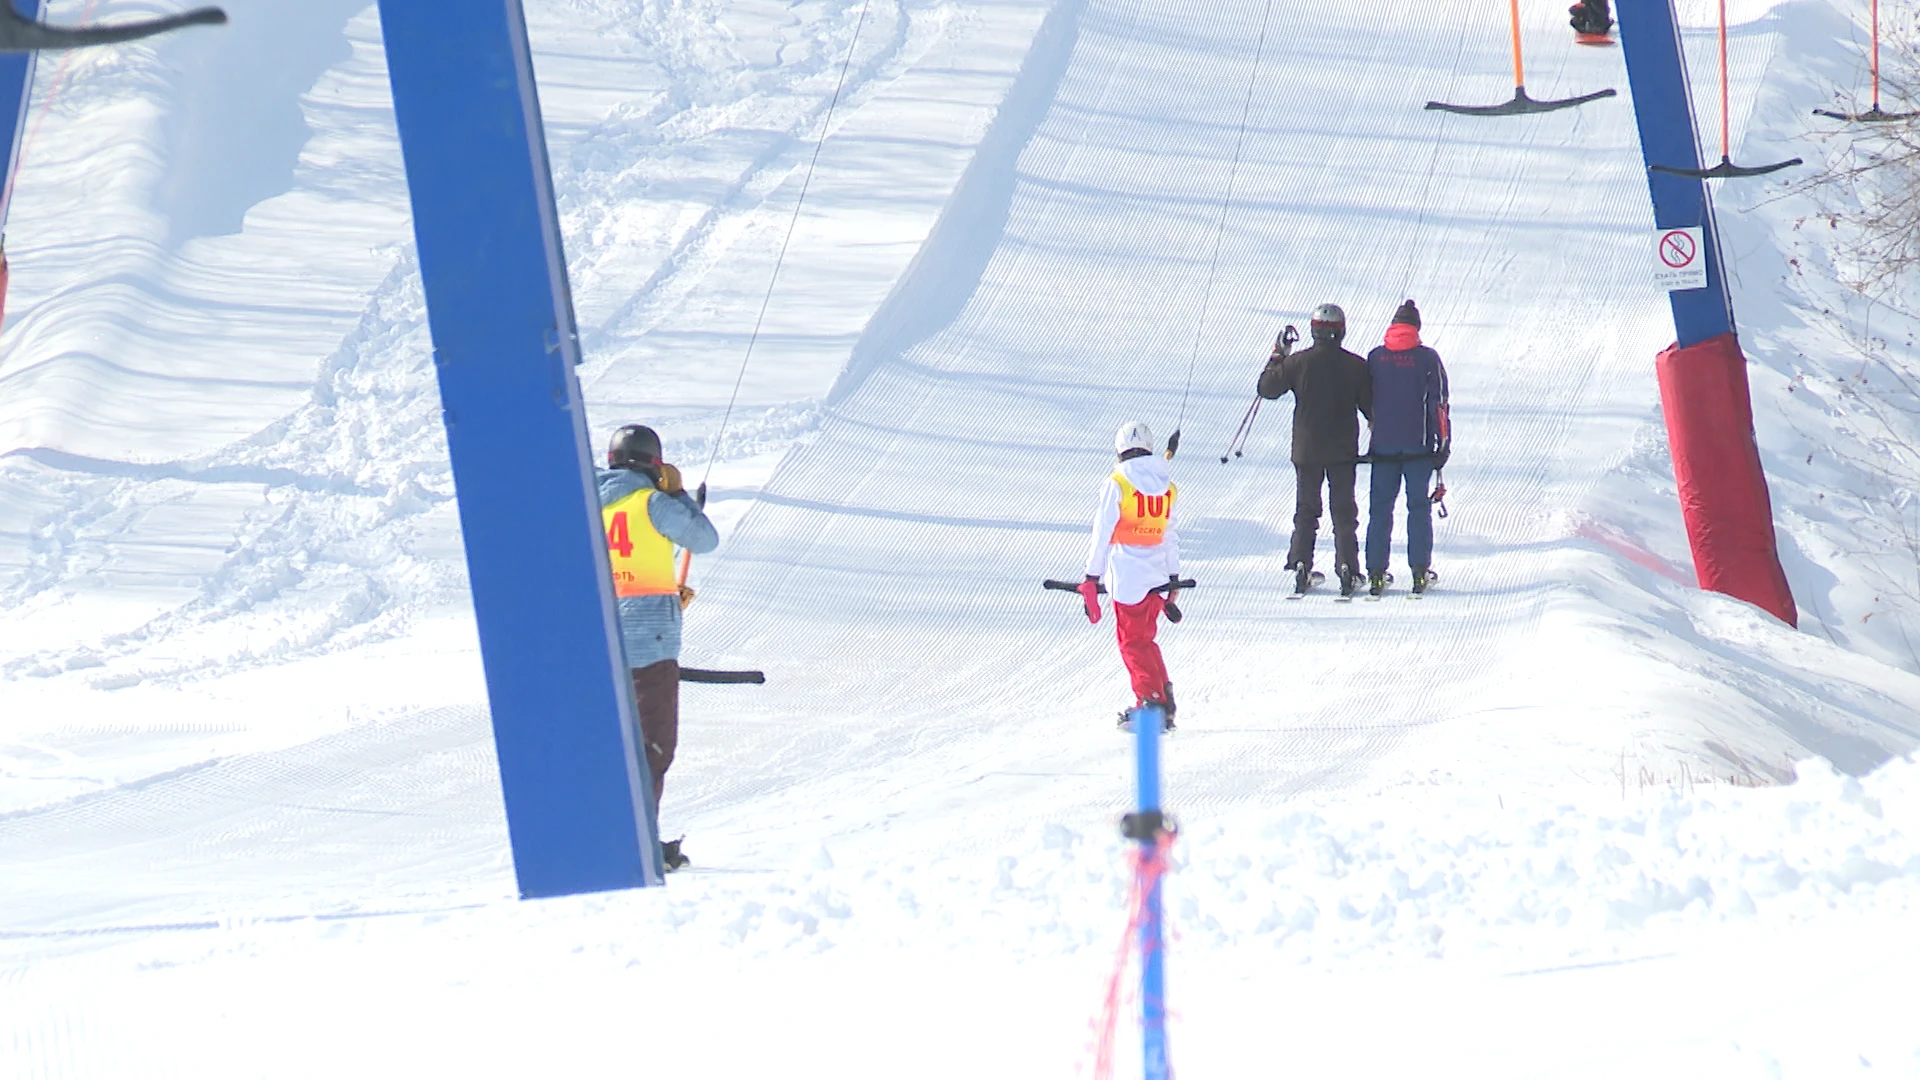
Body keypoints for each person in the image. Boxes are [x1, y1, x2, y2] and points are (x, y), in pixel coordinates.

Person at [597, 423, 719, 870]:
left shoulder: (586, 503)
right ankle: (635, 847)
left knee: (608, 742)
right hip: (649, 648)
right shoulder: (652, 502)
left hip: (597, 643)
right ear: (655, 466)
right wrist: (678, 496)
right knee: (652, 746)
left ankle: (610, 834)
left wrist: (664, 590)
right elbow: (704, 539)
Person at [1257, 303, 1373, 597]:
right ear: (1341, 331)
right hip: (1342, 449)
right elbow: (1372, 409)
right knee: (1343, 512)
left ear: (1313, 331)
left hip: (1306, 449)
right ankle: (1348, 568)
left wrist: (1277, 356)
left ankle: (1300, 564)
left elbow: (1267, 388)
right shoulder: (1356, 366)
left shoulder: (1298, 362)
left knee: (1306, 510)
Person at [1079, 421, 1181, 730]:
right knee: (1145, 639)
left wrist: (1091, 577)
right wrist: (1173, 577)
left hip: (1127, 574)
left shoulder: (1118, 483)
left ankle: (1150, 704)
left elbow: (1102, 532)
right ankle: (1162, 699)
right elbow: (1170, 534)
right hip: (1157, 575)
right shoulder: (1166, 485)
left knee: (1132, 642)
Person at [1363, 301, 1451, 597]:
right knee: (1418, 508)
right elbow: (1439, 404)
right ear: (1417, 329)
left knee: (1380, 510)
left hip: (1383, 448)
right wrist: (1443, 444)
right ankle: (1419, 572)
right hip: (1419, 449)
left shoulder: (1375, 357)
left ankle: (1375, 572)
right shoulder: (1427, 359)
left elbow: (1365, 399)